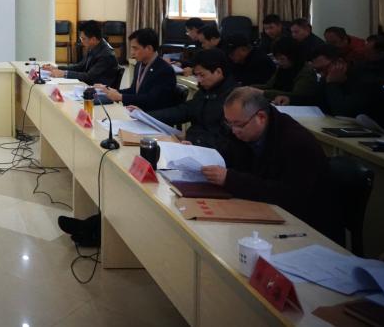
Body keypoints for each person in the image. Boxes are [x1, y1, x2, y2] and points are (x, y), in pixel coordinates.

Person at [201, 87, 341, 241]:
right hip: (261, 211)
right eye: (229, 124)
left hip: (303, 228)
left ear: (261, 117)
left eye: (238, 124)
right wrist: (201, 155)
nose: (234, 130)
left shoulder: (296, 141)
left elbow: (288, 194)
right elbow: (227, 154)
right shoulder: (244, 128)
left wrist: (230, 179)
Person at [141, 48, 238, 150]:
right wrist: (146, 116)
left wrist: (193, 140)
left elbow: (226, 140)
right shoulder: (205, 91)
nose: (199, 80)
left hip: (208, 152)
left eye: (202, 75)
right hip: (193, 145)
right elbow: (185, 110)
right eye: (196, 75)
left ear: (218, 72)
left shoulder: (233, 99)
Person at [94, 28, 177, 111]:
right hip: (138, 111)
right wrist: (110, 91)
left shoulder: (164, 70)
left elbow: (152, 100)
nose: (132, 53)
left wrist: (120, 97)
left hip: (153, 115)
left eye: (135, 48)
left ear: (149, 48)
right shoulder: (139, 65)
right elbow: (133, 91)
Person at [309, 44, 384, 117]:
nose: (321, 74)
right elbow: (316, 105)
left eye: (323, 68)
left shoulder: (366, 80)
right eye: (317, 70)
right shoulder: (326, 77)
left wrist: (332, 84)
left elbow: (343, 112)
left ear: (339, 62)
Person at [42, 20, 119, 87]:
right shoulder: (95, 46)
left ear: (93, 39)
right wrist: (57, 68)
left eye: (83, 38)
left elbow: (89, 77)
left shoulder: (106, 55)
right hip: (88, 85)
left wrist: (64, 74)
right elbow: (80, 67)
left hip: (99, 91)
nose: (81, 41)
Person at [256, 37, 318, 105]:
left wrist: (262, 92)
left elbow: (297, 96)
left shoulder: (306, 71)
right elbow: (269, 86)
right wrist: (250, 88)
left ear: (293, 56)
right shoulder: (283, 68)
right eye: (277, 59)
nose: (279, 62)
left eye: (282, 59)